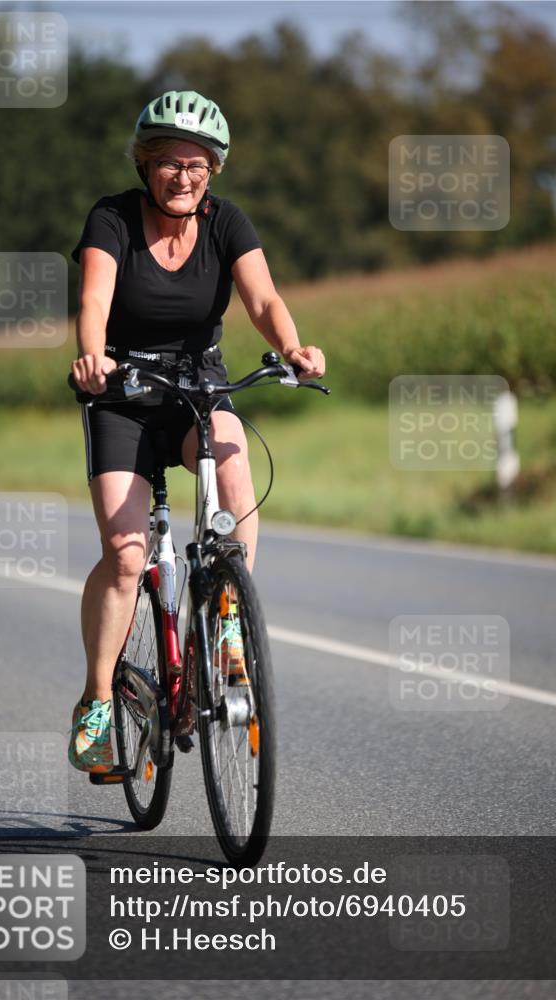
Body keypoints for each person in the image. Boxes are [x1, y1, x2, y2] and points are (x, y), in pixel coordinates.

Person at [68, 90, 325, 772]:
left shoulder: (225, 222)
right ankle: (97, 701)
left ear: (213, 170)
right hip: (122, 393)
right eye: (169, 163)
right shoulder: (112, 218)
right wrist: (92, 356)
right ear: (145, 165)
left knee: (234, 468)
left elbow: (263, 298)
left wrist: (293, 348)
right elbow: (93, 299)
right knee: (126, 555)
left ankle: (227, 621)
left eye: (196, 165)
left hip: (197, 387)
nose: (182, 177)